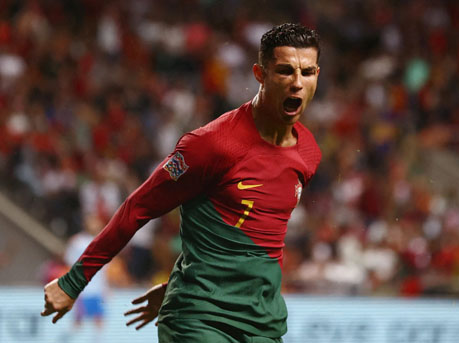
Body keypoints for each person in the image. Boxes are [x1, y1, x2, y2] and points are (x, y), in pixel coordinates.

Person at [41, 22, 322, 343]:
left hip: (262, 322)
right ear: (260, 74)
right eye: (285, 71)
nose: (297, 83)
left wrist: (187, 276)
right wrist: (73, 282)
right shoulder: (212, 145)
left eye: (308, 72)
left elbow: (257, 236)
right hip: (200, 320)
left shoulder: (309, 153)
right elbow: (138, 208)